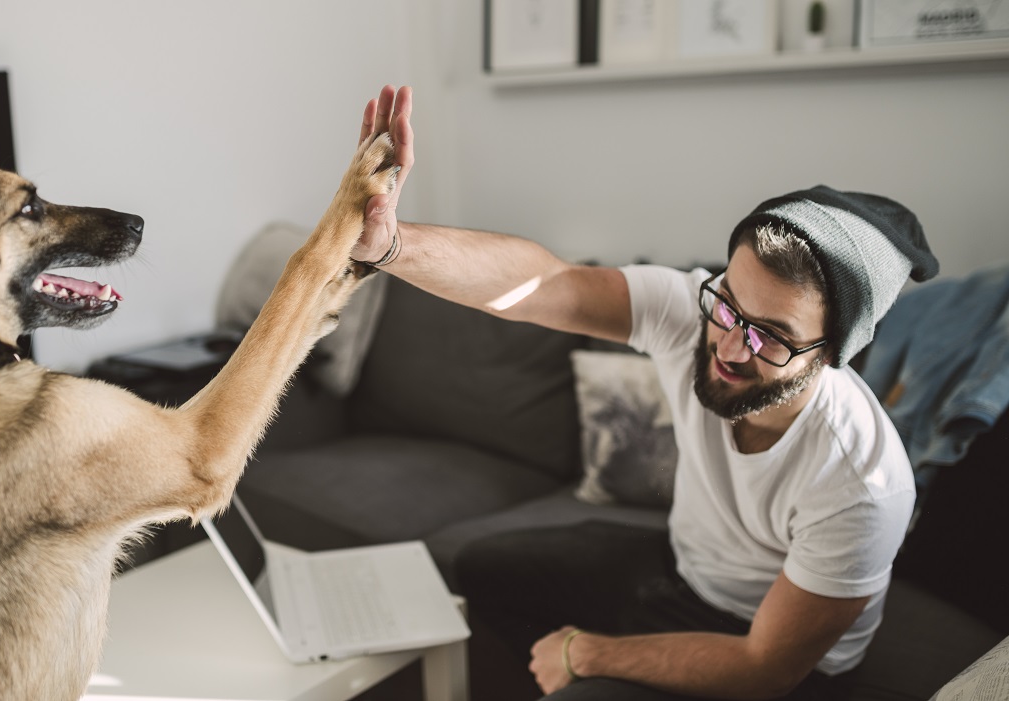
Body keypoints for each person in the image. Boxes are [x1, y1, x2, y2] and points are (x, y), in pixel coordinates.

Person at [350, 85, 940, 700]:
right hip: (677, 569)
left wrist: (586, 654)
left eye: (771, 336)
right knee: (477, 568)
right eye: (729, 306)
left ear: (833, 353)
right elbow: (549, 283)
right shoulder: (693, 314)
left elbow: (765, 668)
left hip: (767, 653)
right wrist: (390, 246)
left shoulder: (863, 484)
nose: (730, 348)